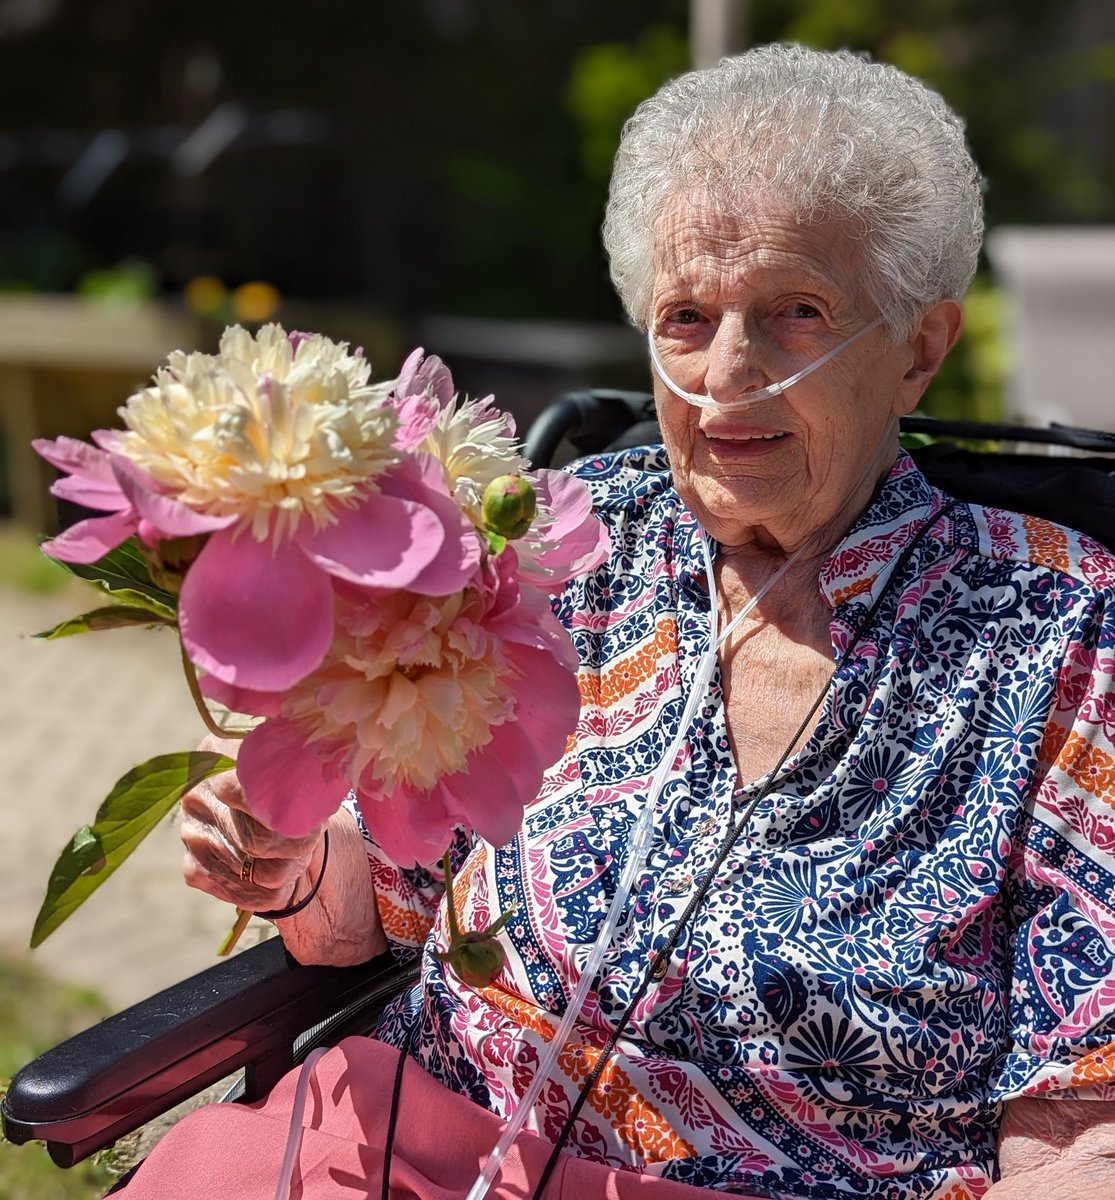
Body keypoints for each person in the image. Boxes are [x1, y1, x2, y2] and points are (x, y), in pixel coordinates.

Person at [167, 43, 1115, 1200]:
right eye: (685, 316)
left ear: (919, 346)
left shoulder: (1060, 627)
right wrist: (287, 854)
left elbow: (1080, 1137)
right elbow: (377, 903)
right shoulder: (560, 542)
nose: (726, 372)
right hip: (416, 1145)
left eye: (796, 313)